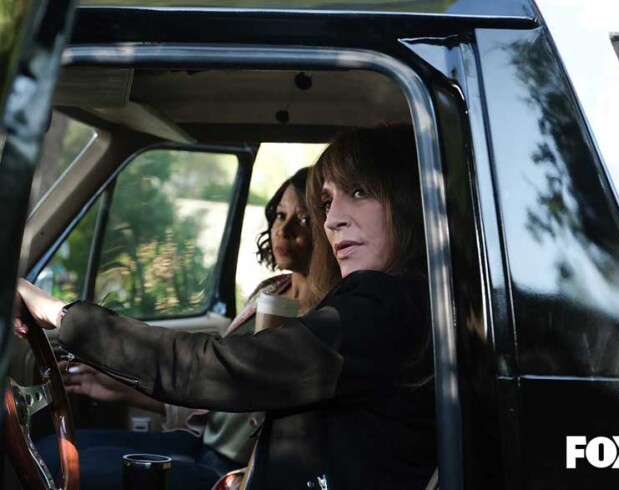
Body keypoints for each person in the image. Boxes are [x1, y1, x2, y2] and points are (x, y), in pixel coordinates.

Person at [16, 125, 437, 489]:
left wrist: (61, 314)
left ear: (407, 199)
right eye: (327, 203)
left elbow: (218, 368)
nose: (332, 220)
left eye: (359, 192)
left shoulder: (383, 307)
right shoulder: (397, 303)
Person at [34, 167, 314, 490]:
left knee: (62, 469)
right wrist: (127, 389)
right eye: (280, 215)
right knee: (49, 451)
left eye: (304, 219)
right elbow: (215, 385)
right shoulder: (269, 291)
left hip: (239, 469)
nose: (285, 230)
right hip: (202, 444)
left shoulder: (322, 318)